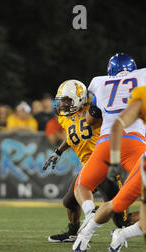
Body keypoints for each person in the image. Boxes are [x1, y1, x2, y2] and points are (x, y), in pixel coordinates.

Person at [76, 59, 146, 252]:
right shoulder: (144, 84)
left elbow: (98, 115)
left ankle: (88, 227)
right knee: (139, 205)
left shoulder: (99, 82)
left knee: (88, 188)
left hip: (110, 143)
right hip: (142, 150)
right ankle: (116, 233)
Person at [43, 80, 129, 243]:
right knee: (69, 201)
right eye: (61, 100)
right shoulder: (64, 118)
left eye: (67, 100)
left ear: (79, 99)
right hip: (88, 167)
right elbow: (72, 136)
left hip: (105, 166)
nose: (63, 104)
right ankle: (73, 232)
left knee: (122, 222)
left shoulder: (95, 110)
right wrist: (58, 151)